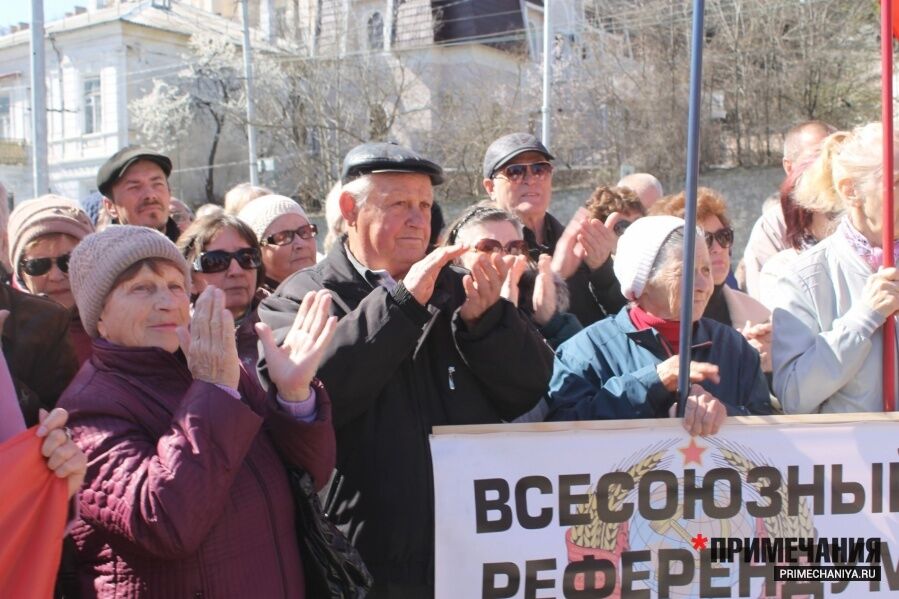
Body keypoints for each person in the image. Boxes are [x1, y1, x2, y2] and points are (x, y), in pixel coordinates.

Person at [258, 141, 554, 597]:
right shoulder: (301, 297)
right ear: (348, 209)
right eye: (398, 204)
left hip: (471, 551)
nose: (418, 218)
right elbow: (323, 394)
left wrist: (488, 324)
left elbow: (529, 388)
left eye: (424, 204)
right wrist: (402, 303)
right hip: (364, 563)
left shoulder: (460, 287)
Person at [57, 225, 337, 597]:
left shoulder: (211, 365)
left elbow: (309, 476)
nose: (168, 302)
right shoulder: (87, 408)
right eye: (141, 288)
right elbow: (165, 523)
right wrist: (214, 391)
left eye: (175, 286)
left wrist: (293, 396)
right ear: (99, 317)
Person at [547, 216, 773, 424]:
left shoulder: (735, 349)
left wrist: (725, 415)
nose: (704, 286)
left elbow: (768, 434)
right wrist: (653, 382)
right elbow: (563, 431)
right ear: (643, 281)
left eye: (705, 270)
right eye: (685, 273)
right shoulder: (586, 353)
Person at [771, 123, 899, 413]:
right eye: (898, 181)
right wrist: (863, 318)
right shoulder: (804, 278)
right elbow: (794, 396)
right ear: (851, 190)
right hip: (856, 456)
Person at [483, 132, 626, 325]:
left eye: (539, 169)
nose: (531, 179)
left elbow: (622, 316)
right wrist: (555, 277)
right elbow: (494, 331)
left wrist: (602, 269)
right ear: (490, 187)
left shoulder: (577, 242)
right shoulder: (485, 248)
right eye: (515, 171)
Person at [650, 188, 772, 373]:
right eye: (705, 239)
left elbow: (778, 398)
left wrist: (766, 368)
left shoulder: (758, 315)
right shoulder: (655, 316)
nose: (717, 248)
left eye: (724, 236)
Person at [444, 202, 581, 349]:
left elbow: (579, 364)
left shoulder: (535, 302)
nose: (504, 257)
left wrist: (551, 323)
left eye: (514, 247)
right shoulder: (444, 310)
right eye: (488, 247)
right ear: (457, 257)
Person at [743, 121, 835, 297]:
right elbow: (766, 305)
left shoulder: (858, 214)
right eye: (817, 158)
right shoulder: (772, 228)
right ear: (790, 167)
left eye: (835, 155)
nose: (829, 166)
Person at [177, 212, 266, 385]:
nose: (236, 271)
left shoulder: (282, 322)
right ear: (190, 280)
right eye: (216, 261)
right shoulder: (174, 340)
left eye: (247, 258)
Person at [7, 195, 95, 364]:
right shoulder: (7, 330)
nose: (56, 276)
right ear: (20, 273)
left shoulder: (121, 324)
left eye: (69, 261)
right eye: (38, 265)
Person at [757, 142, 845, 307]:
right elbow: (791, 330)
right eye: (834, 212)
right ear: (804, 216)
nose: (846, 221)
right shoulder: (782, 269)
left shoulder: (875, 258)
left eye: (850, 208)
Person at [97, 146, 181, 242]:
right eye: (134, 187)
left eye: (157, 184)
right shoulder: (97, 256)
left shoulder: (193, 253)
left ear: (169, 192)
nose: (150, 195)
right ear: (110, 206)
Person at [238, 194, 318, 292]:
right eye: (283, 237)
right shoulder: (258, 305)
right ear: (256, 252)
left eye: (305, 232)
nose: (300, 244)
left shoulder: (333, 288)